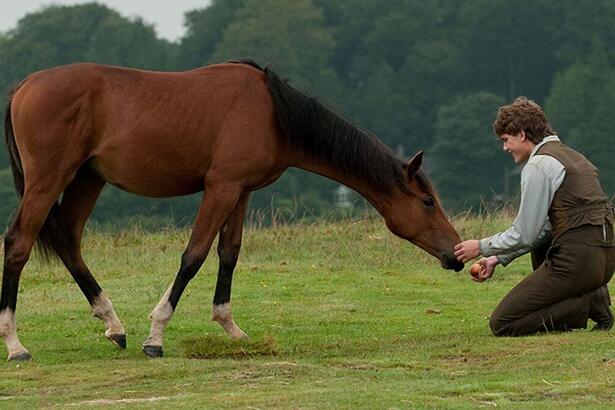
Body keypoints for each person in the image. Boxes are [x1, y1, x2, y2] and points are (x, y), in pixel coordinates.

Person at [454, 96, 615, 336]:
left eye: (506, 140)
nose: (505, 148)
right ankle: (592, 295)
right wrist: (497, 258)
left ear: (521, 133)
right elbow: (546, 228)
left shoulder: (539, 165)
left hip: (578, 262)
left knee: (502, 323)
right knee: (542, 245)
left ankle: (587, 303)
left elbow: (525, 233)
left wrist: (480, 247)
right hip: (605, 261)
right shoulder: (574, 156)